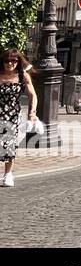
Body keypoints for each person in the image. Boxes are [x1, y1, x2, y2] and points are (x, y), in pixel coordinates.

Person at [0, 49, 37, 187]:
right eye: (6, 61)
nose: (10, 63)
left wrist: (32, 113)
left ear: (18, 62)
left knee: (9, 144)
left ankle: (8, 175)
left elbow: (32, 95)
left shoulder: (23, 76)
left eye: (13, 60)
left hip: (12, 115)